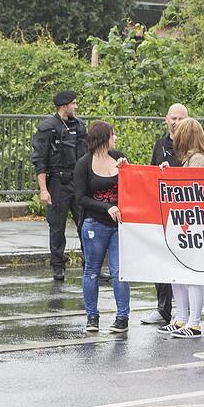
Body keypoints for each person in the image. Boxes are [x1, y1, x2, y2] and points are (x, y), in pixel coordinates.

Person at [73, 121, 130, 333]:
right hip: (94, 223)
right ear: (104, 138)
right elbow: (80, 198)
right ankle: (92, 316)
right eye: (113, 135)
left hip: (118, 225)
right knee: (92, 271)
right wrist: (106, 207)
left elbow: (133, 185)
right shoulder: (84, 164)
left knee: (119, 271)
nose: (115, 139)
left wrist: (127, 169)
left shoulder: (118, 157)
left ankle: (122, 317)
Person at [159, 117, 204, 338]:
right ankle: (181, 318)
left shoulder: (197, 160)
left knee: (192, 275)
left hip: (193, 225)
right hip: (185, 223)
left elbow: (195, 191)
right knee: (178, 274)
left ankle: (194, 322)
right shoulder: (189, 160)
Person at [30, 89, 87, 281]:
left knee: (85, 224)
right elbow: (40, 161)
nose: (76, 106)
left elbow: (87, 155)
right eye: (73, 103)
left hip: (78, 181)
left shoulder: (79, 126)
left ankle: (90, 264)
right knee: (56, 226)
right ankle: (58, 265)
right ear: (64, 106)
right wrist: (44, 190)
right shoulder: (47, 128)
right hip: (57, 182)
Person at [140, 103, 188, 325]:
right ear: (166, 119)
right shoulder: (160, 144)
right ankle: (163, 309)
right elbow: (151, 174)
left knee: (183, 263)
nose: (176, 122)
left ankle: (185, 312)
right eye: (173, 118)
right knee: (160, 260)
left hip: (185, 212)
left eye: (180, 118)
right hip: (162, 210)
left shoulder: (191, 146)